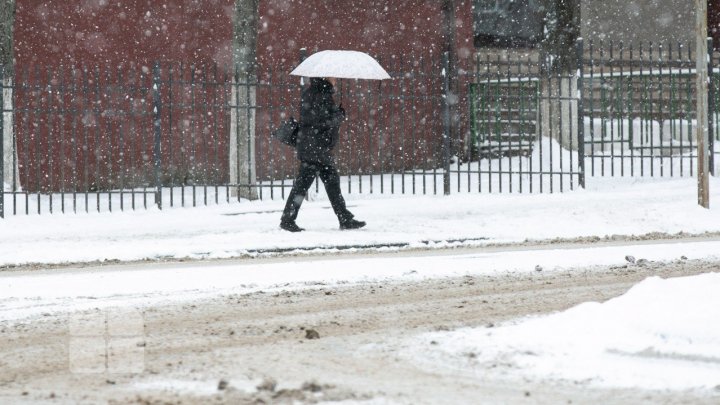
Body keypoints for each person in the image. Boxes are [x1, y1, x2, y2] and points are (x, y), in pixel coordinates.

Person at [279, 77, 366, 232]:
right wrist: (338, 116)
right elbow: (319, 122)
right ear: (325, 78)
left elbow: (317, 119)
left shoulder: (315, 93)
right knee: (304, 185)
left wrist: (335, 114)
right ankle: (287, 220)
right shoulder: (320, 95)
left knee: (330, 183)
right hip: (315, 148)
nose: (335, 79)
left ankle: (344, 218)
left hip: (315, 147)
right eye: (332, 77)